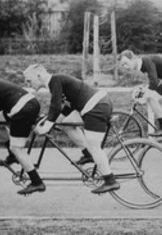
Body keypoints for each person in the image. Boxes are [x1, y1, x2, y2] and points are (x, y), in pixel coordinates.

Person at [23, 64, 119, 194]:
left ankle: (110, 181)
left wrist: (46, 127)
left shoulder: (54, 80)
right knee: (67, 124)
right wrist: (50, 121)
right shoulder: (57, 82)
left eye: (29, 80)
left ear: (38, 75)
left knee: (95, 146)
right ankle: (87, 154)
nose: (28, 84)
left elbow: (55, 106)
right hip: (95, 104)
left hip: (96, 107)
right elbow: (68, 106)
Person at [118, 50, 162, 134]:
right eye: (122, 65)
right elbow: (154, 81)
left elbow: (154, 83)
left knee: (151, 97)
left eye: (126, 63)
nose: (125, 67)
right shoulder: (143, 66)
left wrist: (144, 95)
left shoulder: (145, 61)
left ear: (133, 58)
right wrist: (144, 91)